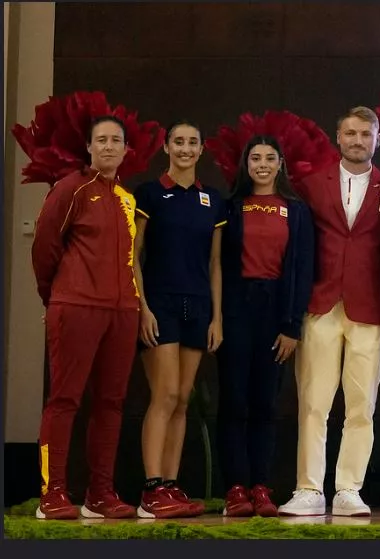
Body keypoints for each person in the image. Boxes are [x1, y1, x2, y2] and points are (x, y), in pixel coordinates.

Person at [283, 106, 380, 517]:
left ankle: (349, 488)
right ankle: (308, 488)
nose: (357, 140)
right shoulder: (312, 185)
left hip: (372, 306)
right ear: (338, 137)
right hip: (321, 303)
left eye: (365, 134)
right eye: (350, 133)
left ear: (377, 139)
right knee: (313, 402)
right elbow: (297, 248)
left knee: (361, 405)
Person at [32, 116, 144, 520]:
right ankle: (53, 493)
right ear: (89, 148)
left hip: (122, 311)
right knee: (64, 400)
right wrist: (56, 295)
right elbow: (45, 245)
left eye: (117, 140)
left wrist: (129, 303)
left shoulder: (127, 199)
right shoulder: (71, 188)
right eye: (102, 140)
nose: (110, 146)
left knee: (112, 403)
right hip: (75, 307)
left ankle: (100, 493)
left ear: (126, 150)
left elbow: (132, 261)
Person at [218, 136, 317, 517]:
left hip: (277, 314)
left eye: (269, 158)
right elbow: (218, 266)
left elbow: (304, 269)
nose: (262, 164)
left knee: (265, 403)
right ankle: (235, 489)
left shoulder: (296, 210)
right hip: (236, 312)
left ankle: (260, 486)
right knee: (234, 402)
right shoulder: (231, 207)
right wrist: (219, 319)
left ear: (280, 164)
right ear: (245, 164)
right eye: (254, 157)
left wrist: (292, 326)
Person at [130, 121, 224, 518]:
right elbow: (133, 255)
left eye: (192, 142)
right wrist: (143, 307)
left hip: (198, 307)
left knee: (183, 400)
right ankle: (152, 489)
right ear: (166, 147)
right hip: (160, 305)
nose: (185, 148)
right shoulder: (150, 193)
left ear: (202, 149)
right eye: (178, 142)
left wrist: (217, 317)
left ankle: (170, 485)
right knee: (164, 395)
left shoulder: (212, 200)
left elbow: (215, 263)